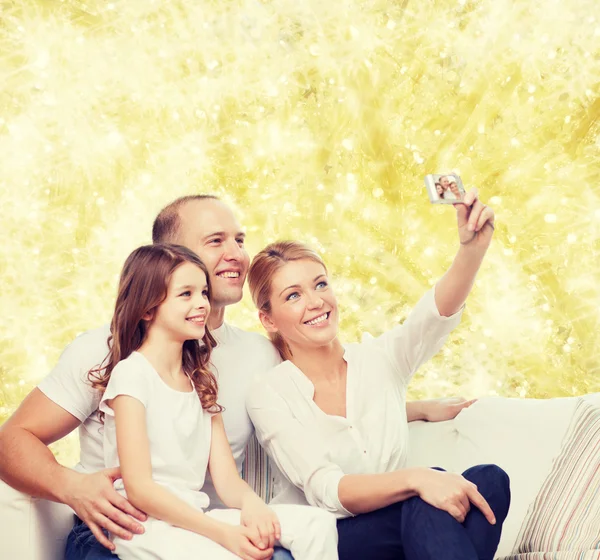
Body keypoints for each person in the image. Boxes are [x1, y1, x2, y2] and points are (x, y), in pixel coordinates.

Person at [0, 194, 475, 560]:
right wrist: (70, 486)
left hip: (210, 528)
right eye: (215, 241)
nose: (236, 254)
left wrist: (415, 408)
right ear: (170, 257)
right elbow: (12, 440)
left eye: (239, 240)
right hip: (126, 532)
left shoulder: (258, 355)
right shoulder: (107, 353)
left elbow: (319, 397)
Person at [246, 188, 511, 560]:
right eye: (293, 295)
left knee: (489, 480)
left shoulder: (379, 361)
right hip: (333, 539)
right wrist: (417, 478)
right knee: (428, 491)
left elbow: (432, 320)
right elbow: (328, 489)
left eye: (320, 284)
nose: (316, 301)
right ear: (268, 319)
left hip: (406, 527)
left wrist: (472, 250)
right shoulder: (269, 394)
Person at [91, 243, 337, 559]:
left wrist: (252, 506)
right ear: (148, 308)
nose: (202, 304)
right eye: (186, 294)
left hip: (195, 517)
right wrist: (224, 535)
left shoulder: (200, 380)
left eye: (204, 293)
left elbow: (227, 481)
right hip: (146, 527)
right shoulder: (131, 375)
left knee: (317, 524)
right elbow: (140, 489)